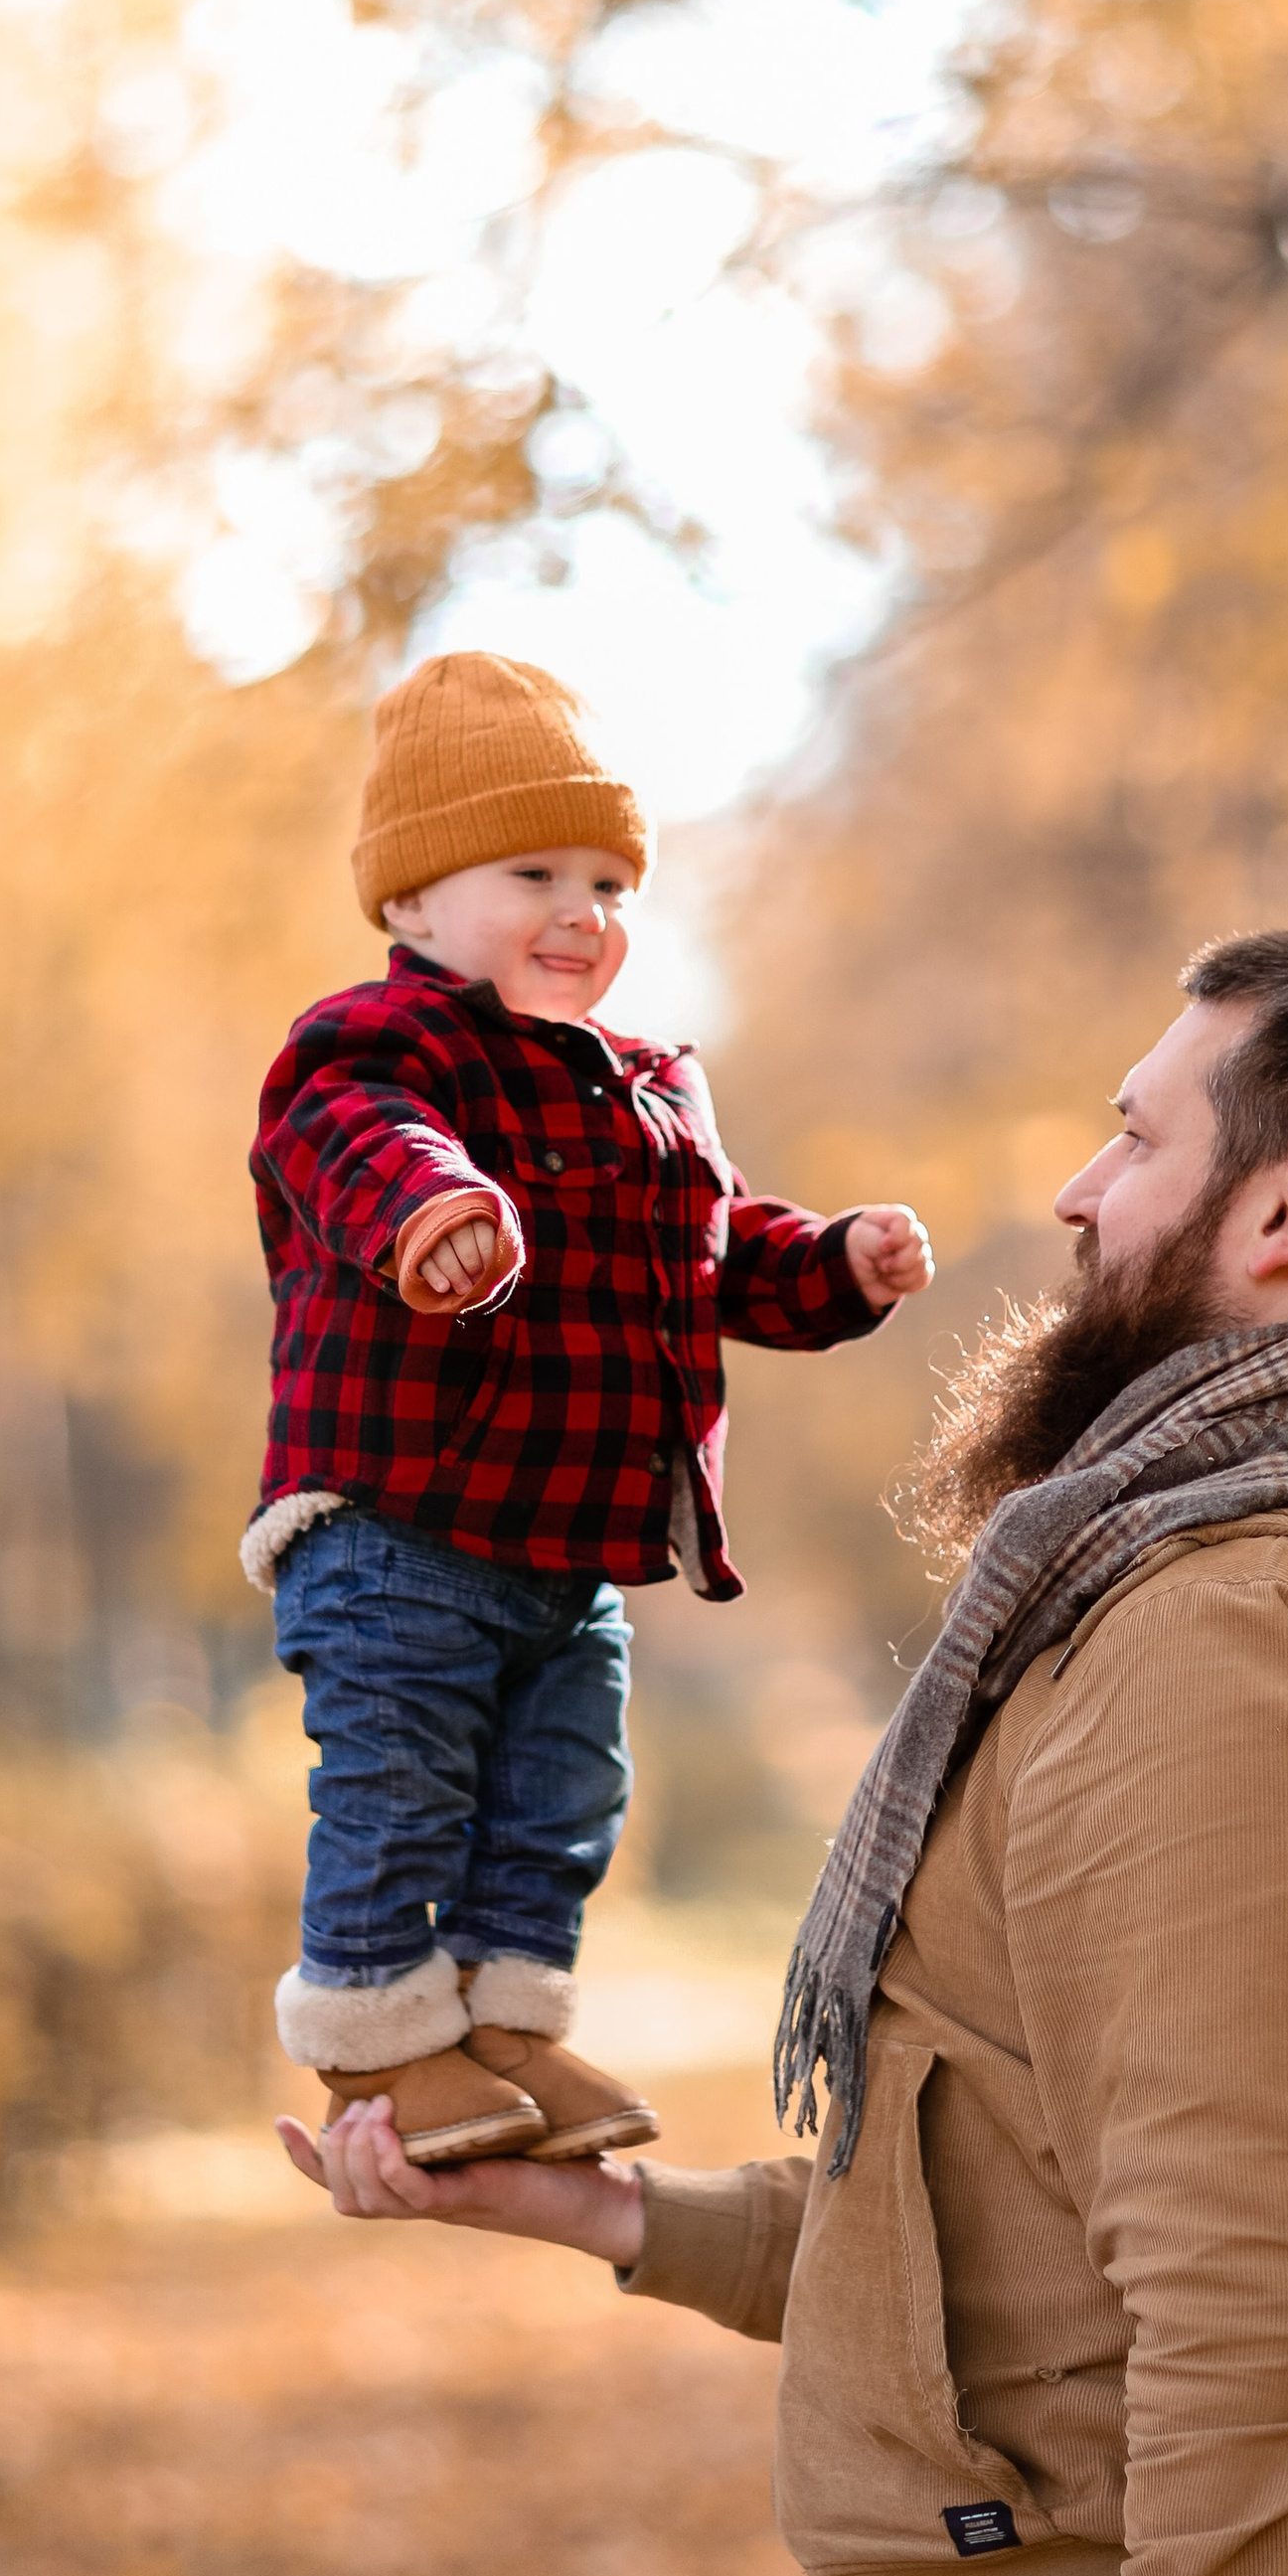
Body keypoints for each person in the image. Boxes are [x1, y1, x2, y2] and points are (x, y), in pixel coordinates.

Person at [280, 927, 1288, 2576]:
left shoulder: (1223, 1641)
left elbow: (1253, 2296)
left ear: (1285, 1205)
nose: (1078, 1195)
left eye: (1134, 1134)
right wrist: (611, 2222)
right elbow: (1037, 2215)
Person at [247, 647, 934, 2171]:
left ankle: (503, 2031)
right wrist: (439, 1214)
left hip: (567, 1550)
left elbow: (712, 1252)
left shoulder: (648, 1085)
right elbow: (359, 1142)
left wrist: (833, 1264)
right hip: (401, 1525)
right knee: (402, 1776)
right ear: (414, 902)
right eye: (536, 872)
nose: (586, 915)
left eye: (614, 884)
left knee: (564, 1796)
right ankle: (377, 2033)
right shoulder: (375, 1046)